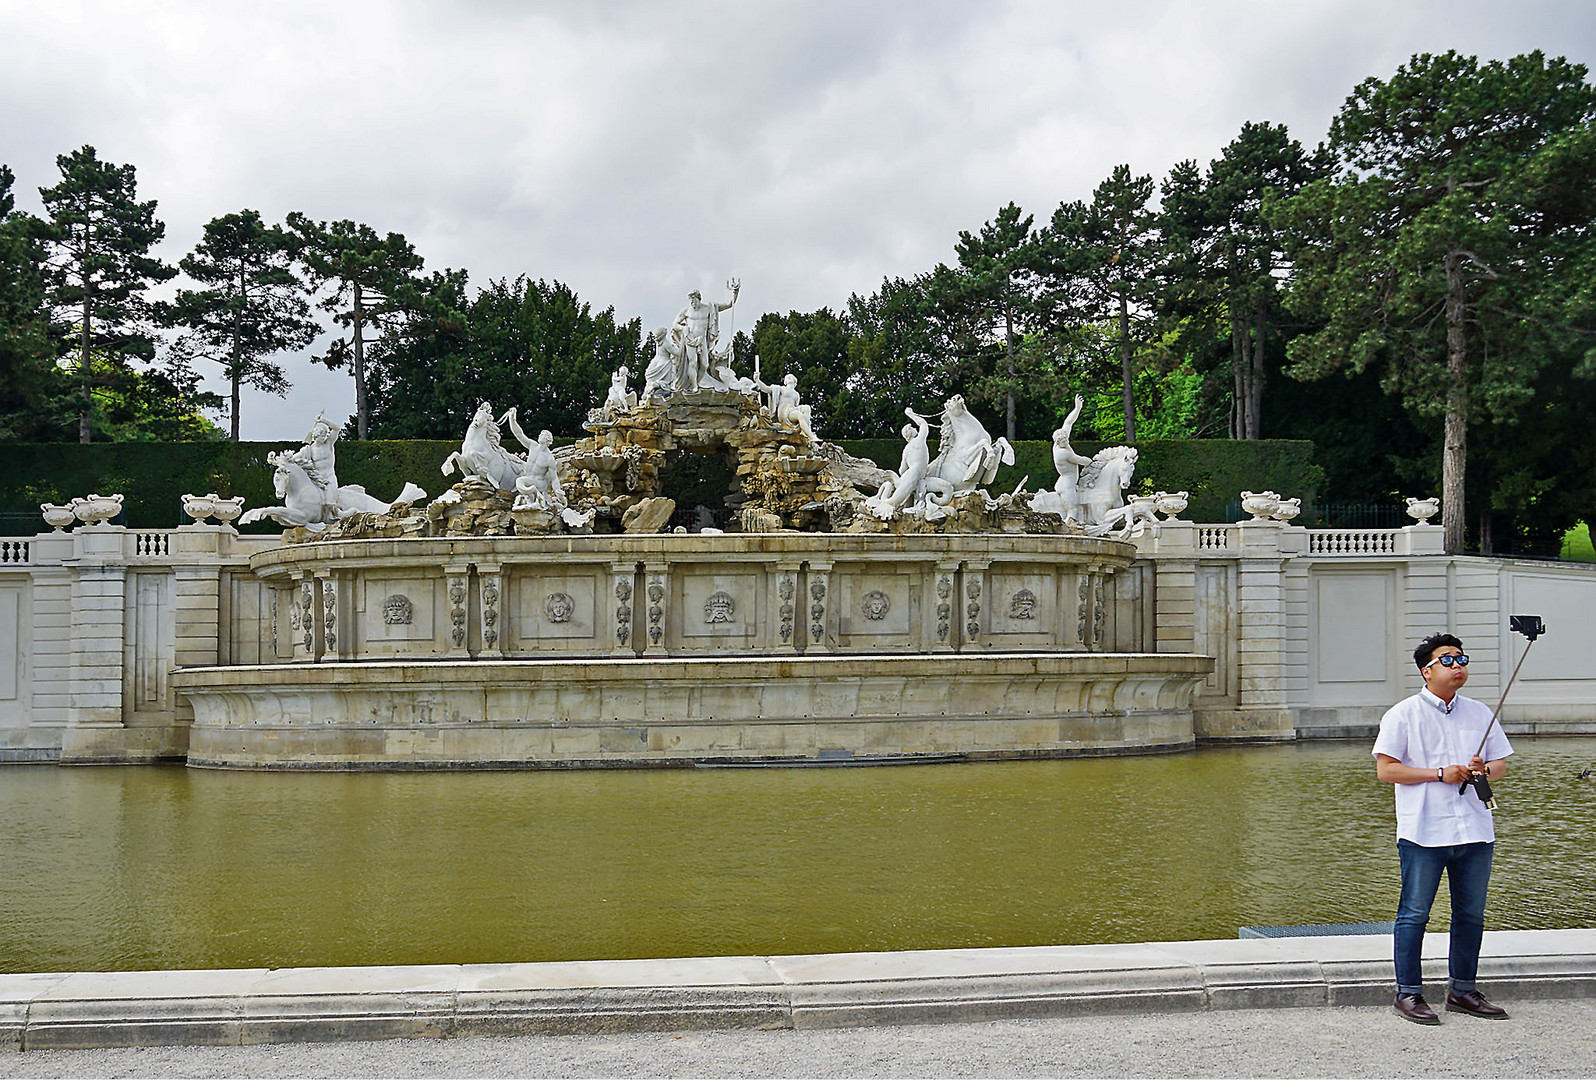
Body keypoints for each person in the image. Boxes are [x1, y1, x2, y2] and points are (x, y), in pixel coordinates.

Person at [1373, 632, 1513, 1025]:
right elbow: (1387, 769)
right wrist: (1439, 774)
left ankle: (1463, 990)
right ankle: (1409, 994)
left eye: (1462, 659)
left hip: (1475, 830)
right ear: (1426, 670)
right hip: (1424, 831)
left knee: (1471, 914)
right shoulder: (1403, 714)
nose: (1458, 666)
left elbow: (1499, 765)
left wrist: (1483, 770)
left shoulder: (1480, 712)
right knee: (1414, 914)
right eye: (1448, 660)